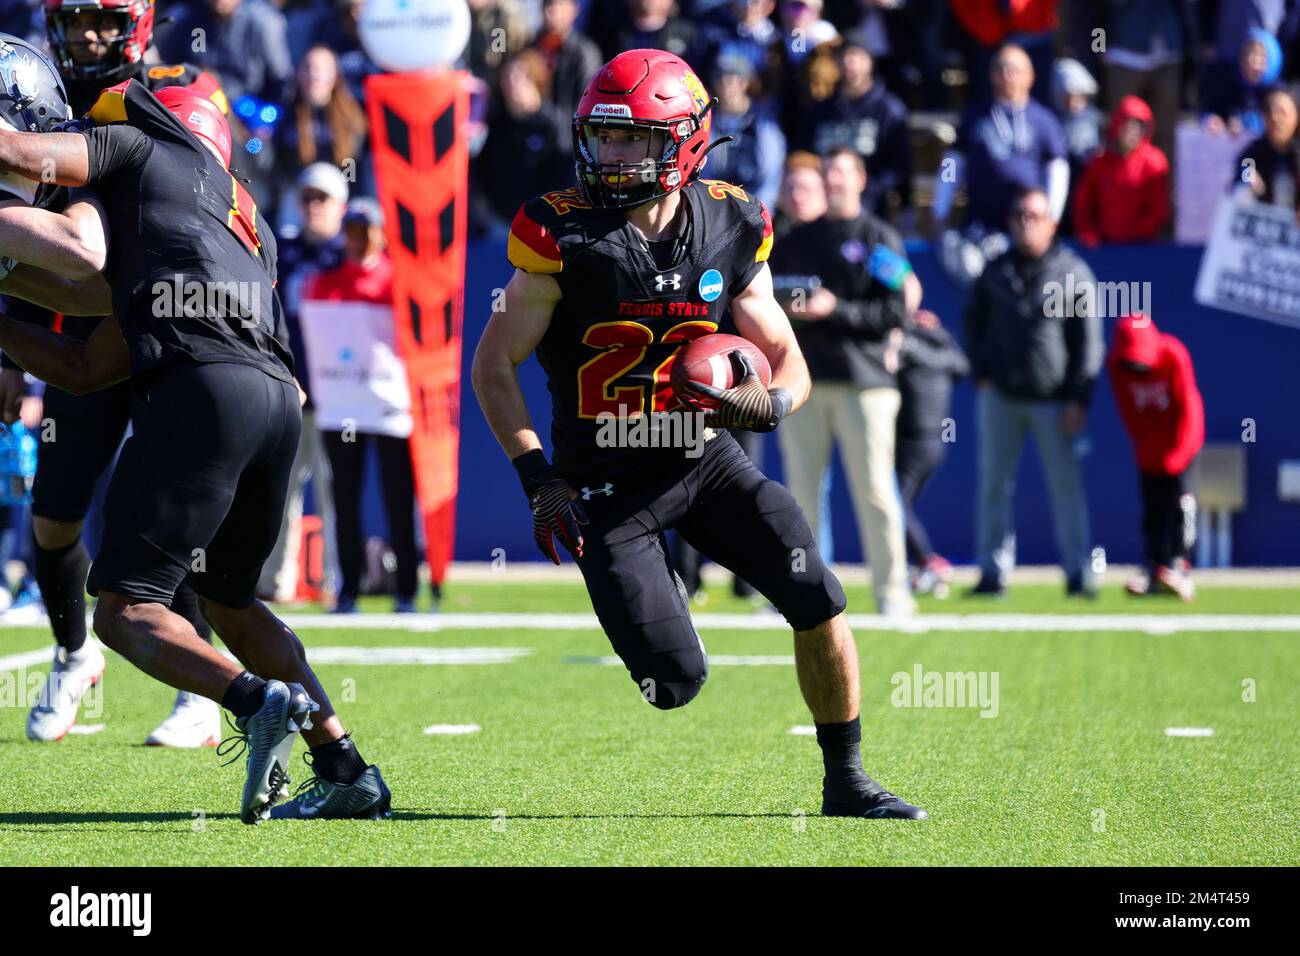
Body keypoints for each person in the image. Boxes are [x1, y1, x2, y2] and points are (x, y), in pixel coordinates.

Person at [472, 49, 926, 819]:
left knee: (816, 594)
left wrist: (773, 407)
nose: (611, 157)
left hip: (704, 459)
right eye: (603, 138)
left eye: (633, 140)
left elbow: (787, 357)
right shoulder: (563, 235)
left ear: (683, 141)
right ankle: (661, 600)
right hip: (607, 486)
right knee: (673, 683)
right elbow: (492, 366)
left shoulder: (730, 219)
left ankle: (846, 780)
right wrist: (537, 475)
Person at [0, 73, 388, 821]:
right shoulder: (237, 219)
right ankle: (345, 766)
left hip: (203, 392)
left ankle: (250, 700)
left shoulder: (137, 143)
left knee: (123, 611)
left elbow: (23, 157)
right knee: (233, 604)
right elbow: (87, 364)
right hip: (275, 402)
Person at [0, 4, 231, 749]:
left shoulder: (174, 88)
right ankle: (74, 655)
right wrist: (10, 353)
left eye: (102, 21)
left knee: (164, 521)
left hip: (165, 325)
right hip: (79, 328)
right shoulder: (34, 89)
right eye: (74, 21)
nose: (87, 37)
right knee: (55, 511)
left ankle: (197, 680)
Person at [768, 146, 920, 617]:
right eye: (826, 173)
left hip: (865, 383)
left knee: (875, 490)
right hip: (805, 384)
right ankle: (804, 593)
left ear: (860, 180)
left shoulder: (876, 240)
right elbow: (770, 301)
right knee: (800, 496)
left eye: (841, 174)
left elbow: (899, 308)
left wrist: (838, 310)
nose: (832, 182)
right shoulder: (796, 240)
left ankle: (892, 593)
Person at [963, 186, 1102, 598]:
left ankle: (1078, 571)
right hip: (1002, 396)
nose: (1026, 223)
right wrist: (981, 371)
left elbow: (1089, 343)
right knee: (994, 485)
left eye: (1035, 216)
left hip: (1054, 399)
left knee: (1065, 485)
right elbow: (972, 323)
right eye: (1020, 215)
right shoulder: (995, 270)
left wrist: (1079, 398)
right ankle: (993, 571)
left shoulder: (1073, 272)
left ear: (1051, 223)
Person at [300, 197, 420, 614]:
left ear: (382, 235)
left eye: (365, 232)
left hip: (389, 404)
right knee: (344, 500)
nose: (358, 240)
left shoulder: (399, 282)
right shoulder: (324, 283)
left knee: (398, 499)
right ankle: (348, 588)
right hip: (341, 403)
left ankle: (407, 590)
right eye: (351, 232)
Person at [256, 162, 348, 603]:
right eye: (308, 197)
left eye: (322, 199)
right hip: (289, 386)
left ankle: (337, 580)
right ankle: (274, 581)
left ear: (340, 206)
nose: (313, 207)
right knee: (280, 489)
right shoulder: (282, 250)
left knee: (335, 489)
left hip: (338, 392)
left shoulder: (350, 252)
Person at [932, 44, 1069, 286]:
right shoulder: (975, 115)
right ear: (991, 74)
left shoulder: (1044, 120)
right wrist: (940, 210)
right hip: (979, 229)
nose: (1008, 75)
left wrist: (1052, 216)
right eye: (1001, 69)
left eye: (1015, 69)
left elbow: (1057, 171)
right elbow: (953, 163)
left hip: (1025, 228)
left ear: (1031, 75)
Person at [1109, 314, 1204, 601]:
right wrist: (1147, 448)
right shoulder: (1117, 366)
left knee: (1181, 504)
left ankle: (1179, 567)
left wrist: (1178, 455)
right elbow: (1129, 413)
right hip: (1151, 447)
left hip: (1181, 442)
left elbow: (1189, 410)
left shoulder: (1174, 355)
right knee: (1152, 509)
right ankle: (1151, 568)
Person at [896, 309, 968, 598]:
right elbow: (961, 365)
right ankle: (923, 567)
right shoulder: (947, 351)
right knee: (901, 504)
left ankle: (929, 562)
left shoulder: (910, 348)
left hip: (915, 440)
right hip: (934, 443)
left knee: (895, 506)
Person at [1072, 95, 1170, 246]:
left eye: (1138, 127)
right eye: (1128, 125)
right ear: (1117, 125)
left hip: (1141, 246)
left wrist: (1132, 236)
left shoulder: (1154, 162)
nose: (1132, 132)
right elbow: (1083, 204)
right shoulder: (1099, 163)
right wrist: (1089, 233)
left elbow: (1158, 211)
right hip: (1104, 247)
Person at [1234, 86, 1300, 210]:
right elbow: (1245, 167)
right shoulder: (1253, 152)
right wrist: (1248, 178)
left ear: (1296, 117)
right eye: (1269, 111)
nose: (1275, 118)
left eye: (1282, 112)